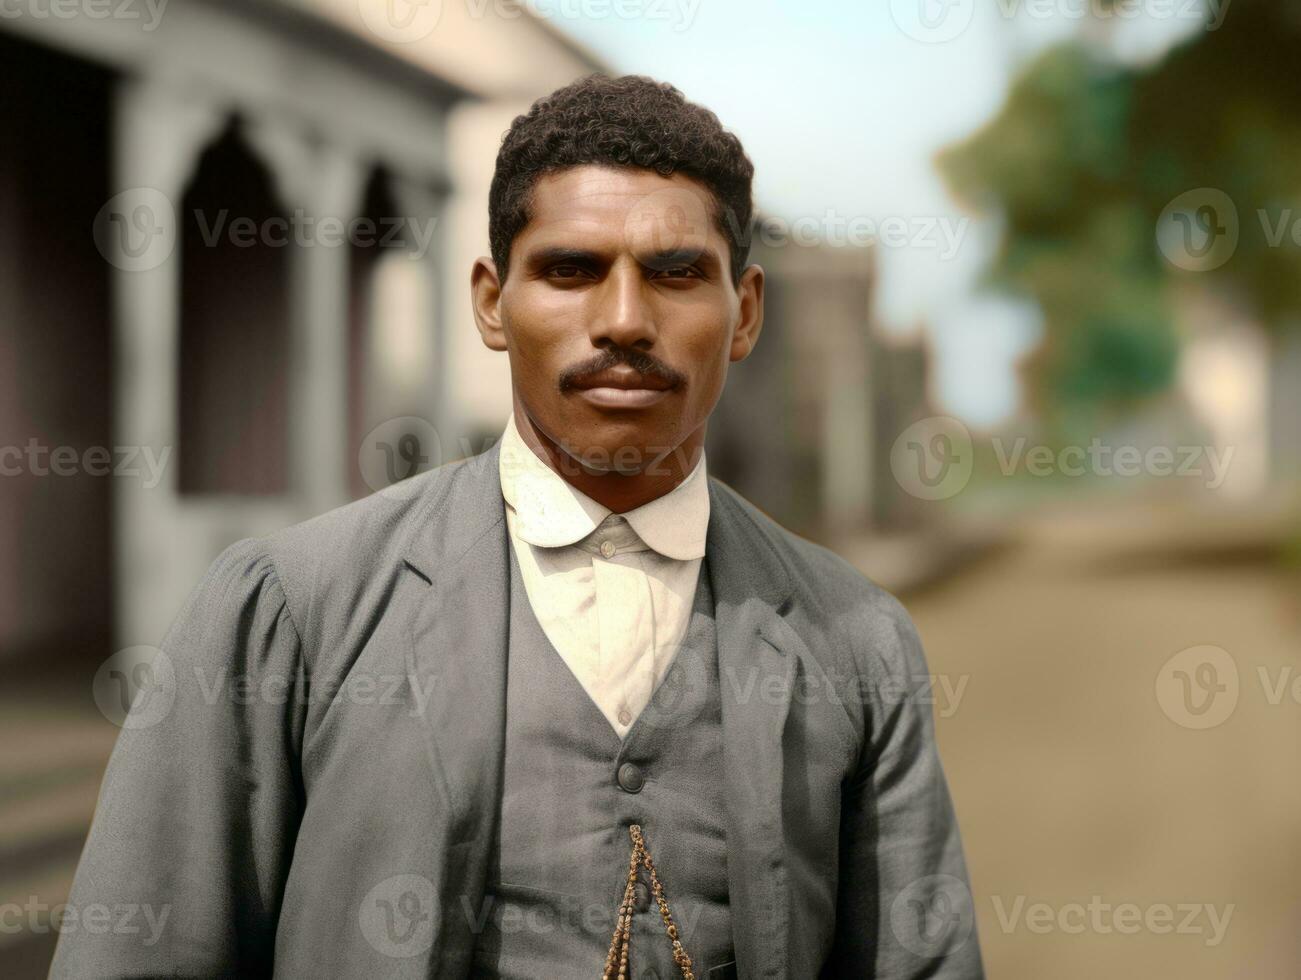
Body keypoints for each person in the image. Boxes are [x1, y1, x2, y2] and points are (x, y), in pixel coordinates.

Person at [53, 74, 983, 979]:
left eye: (675, 273)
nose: (624, 320)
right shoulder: (295, 609)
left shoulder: (853, 639)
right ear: (493, 304)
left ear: (741, 314)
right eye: (572, 271)